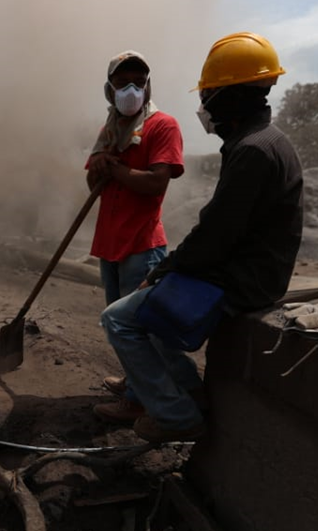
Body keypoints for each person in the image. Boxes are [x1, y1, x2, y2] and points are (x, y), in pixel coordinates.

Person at [98, 32, 304, 443]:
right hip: (247, 270)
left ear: (233, 97)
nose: (204, 106)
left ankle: (176, 417)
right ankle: (192, 391)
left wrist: (163, 273)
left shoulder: (253, 151)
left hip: (240, 280)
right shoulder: (264, 142)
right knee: (153, 321)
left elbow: (216, 234)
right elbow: (222, 228)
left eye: (210, 95)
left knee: (119, 320)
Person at [85, 51, 185, 425]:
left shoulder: (162, 125)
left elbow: (157, 180)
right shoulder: (109, 130)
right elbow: (93, 182)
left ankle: (140, 401)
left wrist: (117, 168)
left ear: (148, 85)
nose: (131, 89)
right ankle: (135, 382)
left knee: (139, 328)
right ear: (110, 90)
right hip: (109, 243)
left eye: (138, 82)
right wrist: (99, 167)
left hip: (141, 246)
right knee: (121, 327)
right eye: (122, 82)